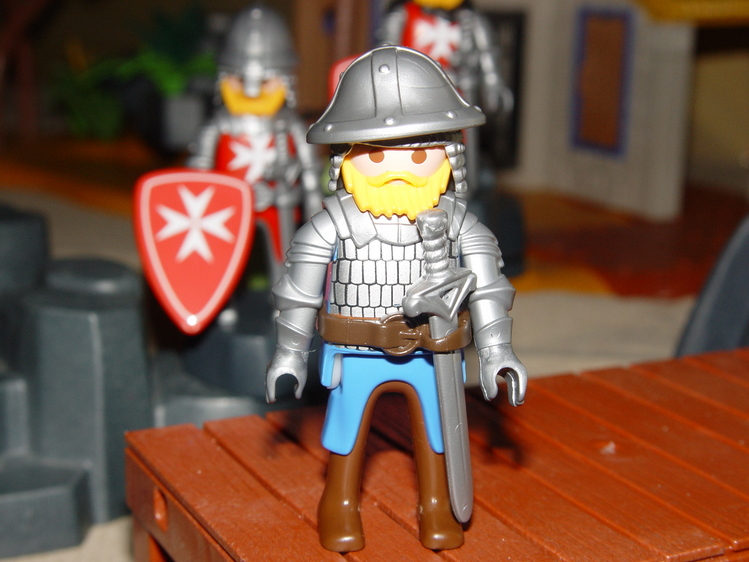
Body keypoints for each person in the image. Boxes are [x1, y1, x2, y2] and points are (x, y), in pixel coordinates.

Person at [266, 45, 526, 552]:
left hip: (433, 352)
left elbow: (489, 286)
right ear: (345, 161)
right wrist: (290, 354)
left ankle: (436, 504)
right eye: (378, 155)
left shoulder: (459, 224)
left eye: (420, 155)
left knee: (437, 432)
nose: (398, 169)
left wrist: (497, 351)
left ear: (449, 160)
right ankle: (340, 502)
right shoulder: (330, 226)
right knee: (346, 433)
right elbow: (298, 292)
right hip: (356, 348)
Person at [188, 3, 321, 283]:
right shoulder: (216, 128)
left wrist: (314, 219)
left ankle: (283, 302)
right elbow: (198, 177)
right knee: (224, 263)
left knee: (283, 265)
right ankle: (223, 300)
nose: (251, 91)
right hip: (225, 211)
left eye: (265, 81)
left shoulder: (292, 127)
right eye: (239, 80)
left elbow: (310, 175)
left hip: (279, 208)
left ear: (285, 79)